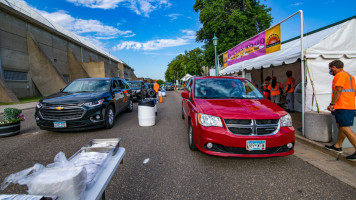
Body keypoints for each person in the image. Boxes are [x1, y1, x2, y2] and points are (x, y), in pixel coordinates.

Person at [325, 60, 356, 161]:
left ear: (334, 67)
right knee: (341, 126)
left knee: (345, 128)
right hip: (348, 105)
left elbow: (338, 90)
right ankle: (337, 146)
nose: (330, 71)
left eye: (330, 69)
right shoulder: (349, 76)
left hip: (343, 105)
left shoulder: (340, 75)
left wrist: (332, 104)